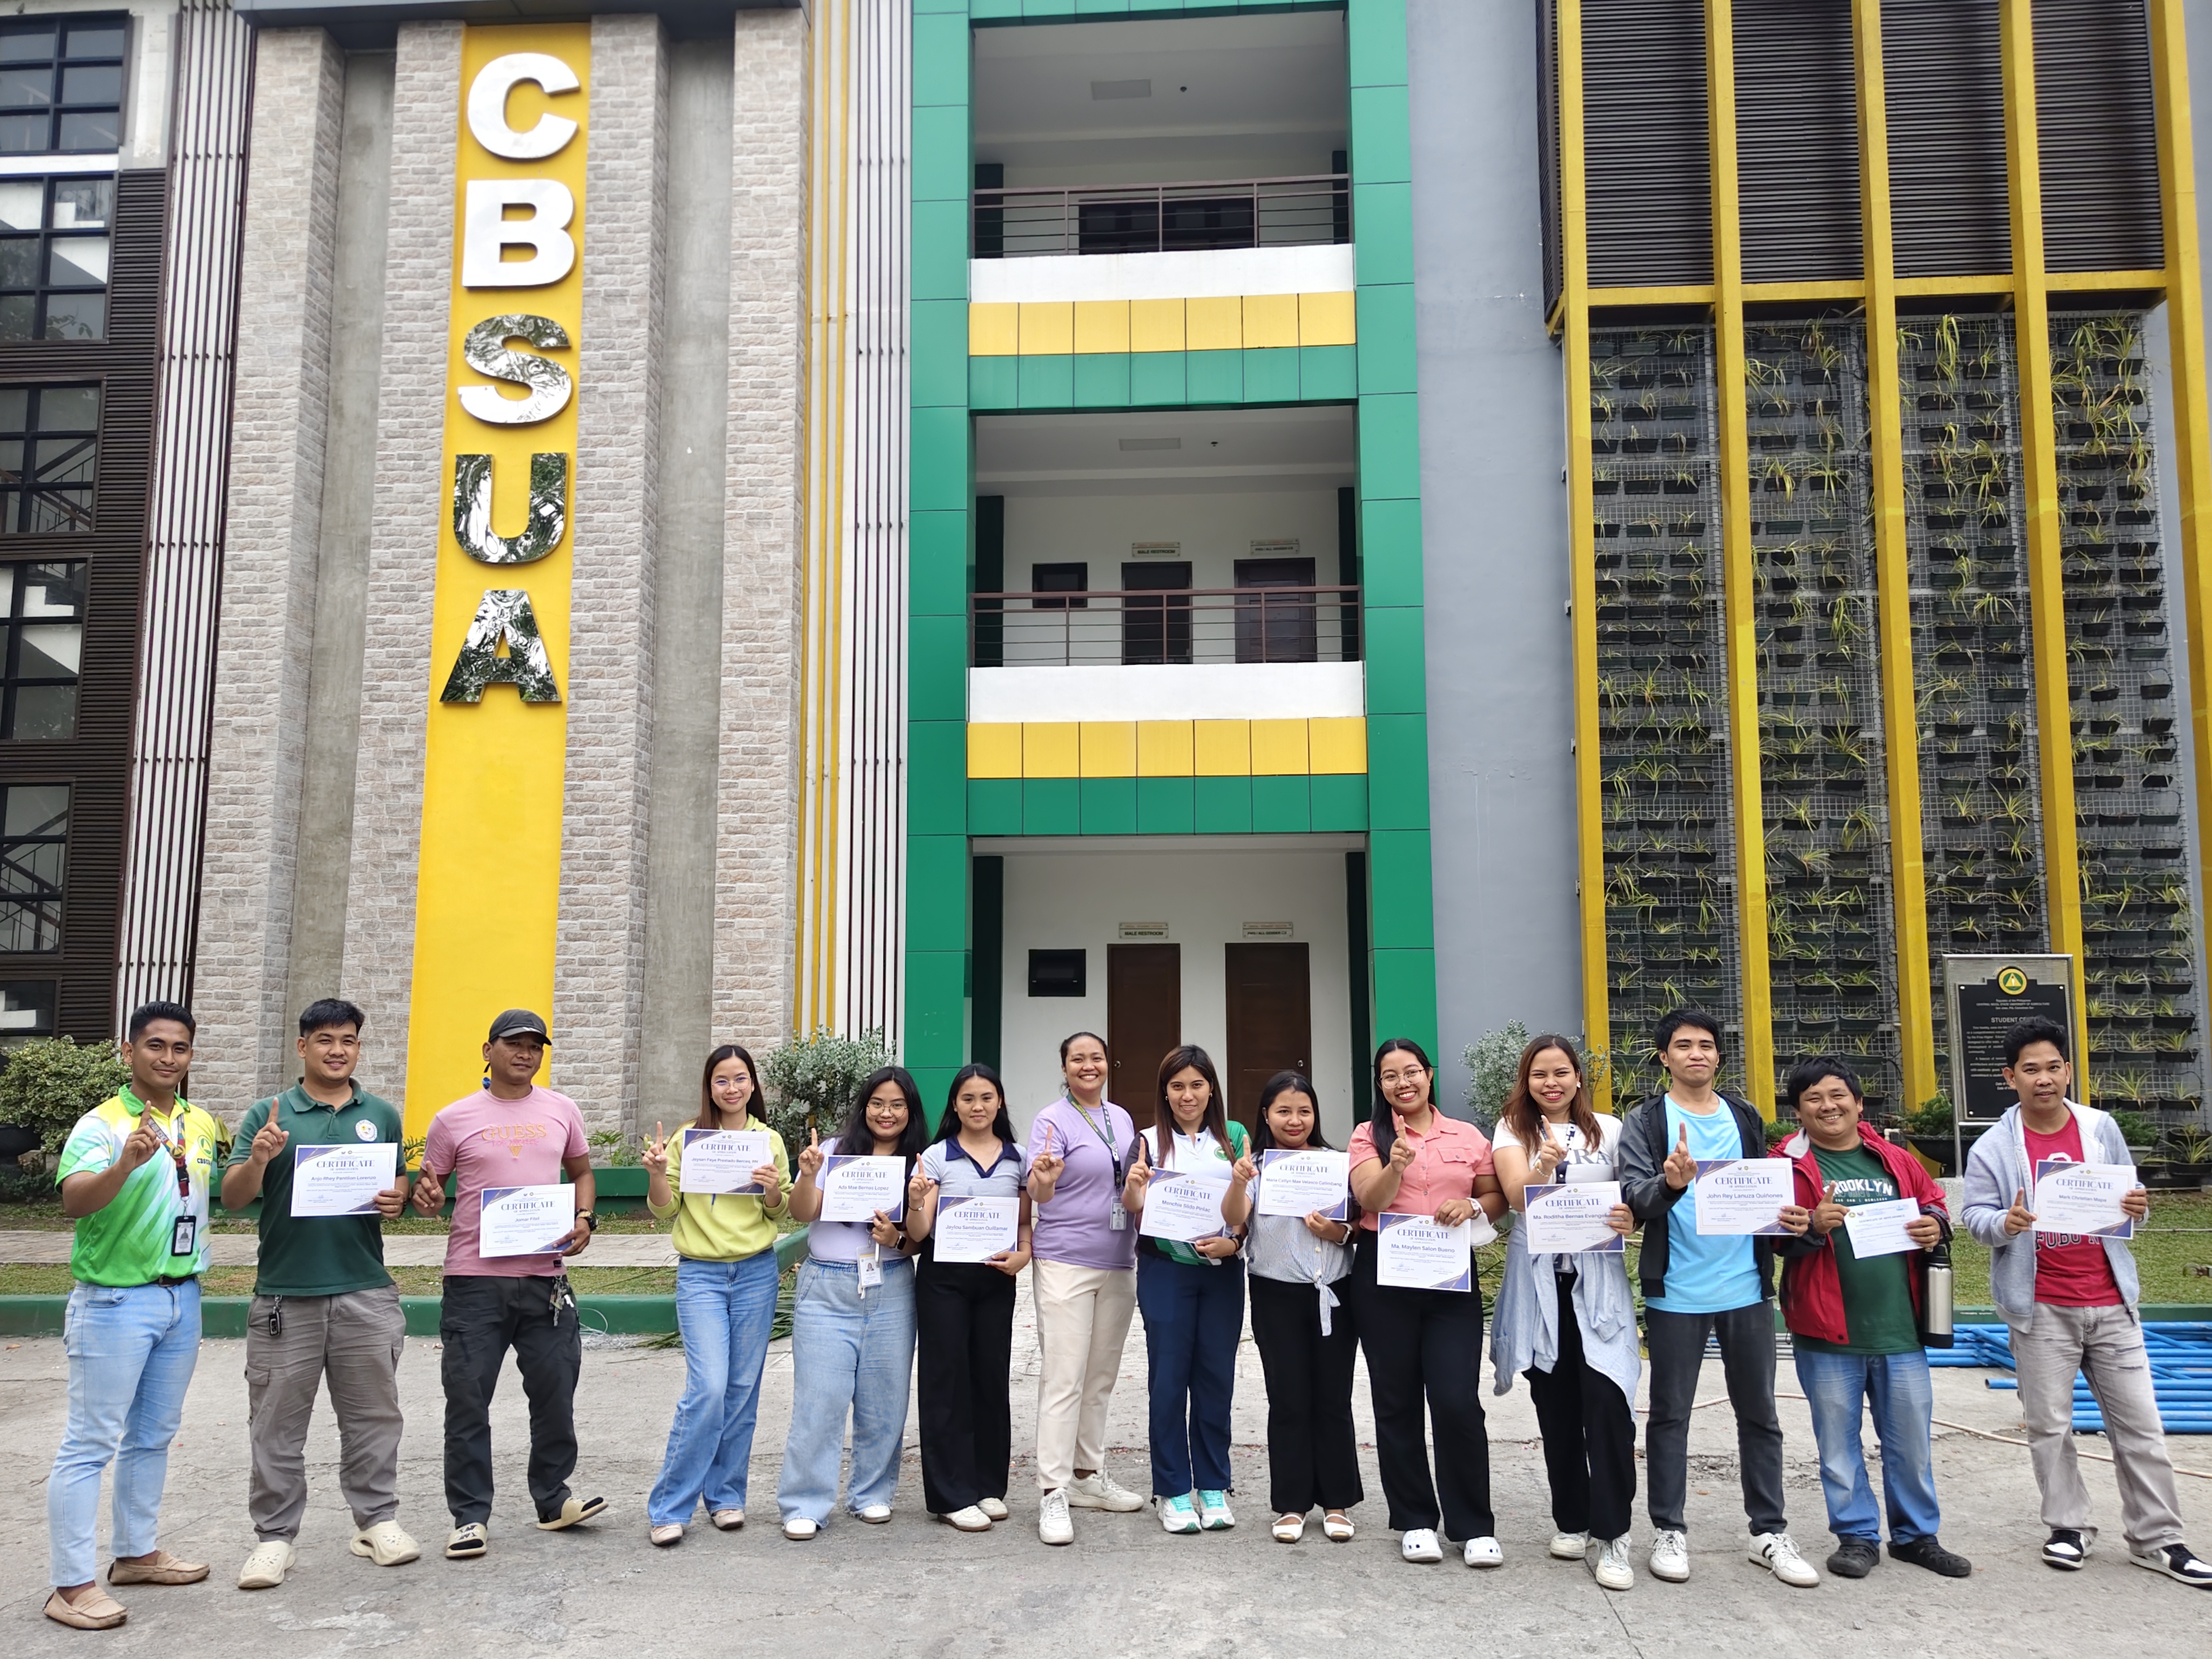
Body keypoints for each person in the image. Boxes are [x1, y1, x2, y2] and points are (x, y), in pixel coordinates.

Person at [1961, 1016, 2212, 1587]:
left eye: (2053, 1067)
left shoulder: (2099, 1128)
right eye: (2031, 1070)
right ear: (2010, 1078)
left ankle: (2158, 1539)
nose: (2044, 1079)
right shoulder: (1994, 1147)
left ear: (2069, 1071)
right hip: (2041, 1308)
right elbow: (1974, 1217)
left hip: (2111, 1303)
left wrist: (2138, 1208)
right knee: (2050, 1427)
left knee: (2141, 1426)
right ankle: (2068, 1527)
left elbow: (2130, 1203)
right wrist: (2005, 1223)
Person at [1618, 1007, 1818, 1588]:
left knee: (1760, 1414)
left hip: (1745, 1288)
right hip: (1677, 1291)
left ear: (1718, 1055)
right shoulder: (1646, 1121)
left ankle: (1768, 1532)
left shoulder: (1744, 1115)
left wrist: (1787, 1217)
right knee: (1670, 1417)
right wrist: (1671, 1182)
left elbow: (1761, 1189)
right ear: (1664, 1057)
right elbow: (1635, 1198)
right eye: (1683, 1045)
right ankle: (1669, 1530)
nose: (1697, 1054)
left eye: (1706, 1045)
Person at [220, 999, 417, 1589]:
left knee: (373, 1418)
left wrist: (398, 1198)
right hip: (286, 1295)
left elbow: (396, 1182)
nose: (337, 1050)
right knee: (276, 1425)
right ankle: (275, 1538)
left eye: (348, 1040)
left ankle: (376, 1521)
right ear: (302, 1046)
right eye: (326, 1040)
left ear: (358, 1048)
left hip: (365, 1291)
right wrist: (259, 1157)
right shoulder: (269, 1113)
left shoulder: (379, 1114)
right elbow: (233, 1198)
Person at [43, 1001, 218, 1630]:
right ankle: (70, 1586)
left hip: (182, 1297)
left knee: (153, 1435)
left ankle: (136, 1554)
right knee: (89, 1443)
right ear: (129, 1051)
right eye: (155, 1046)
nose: (168, 1058)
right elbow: (73, 1202)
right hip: (115, 1301)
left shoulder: (200, 1123)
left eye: (180, 1048)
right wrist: (125, 1165)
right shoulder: (101, 1124)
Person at [409, 1009, 603, 1559]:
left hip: (546, 1280)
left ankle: (553, 1499)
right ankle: (470, 1516)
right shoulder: (453, 1119)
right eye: (514, 1044)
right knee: (468, 1401)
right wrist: (427, 1199)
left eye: (535, 1046)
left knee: (555, 1393)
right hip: (474, 1282)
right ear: (487, 1050)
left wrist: (585, 1218)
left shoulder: (562, 1110)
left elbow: (582, 1172)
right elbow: (429, 1194)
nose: (525, 1054)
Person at [1775, 1055, 1969, 1580]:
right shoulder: (1785, 1166)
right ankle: (1857, 1536)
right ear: (1799, 1112)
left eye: (1838, 1095)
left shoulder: (1895, 1159)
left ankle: (1916, 1536)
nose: (1827, 1106)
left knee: (1911, 1443)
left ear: (1859, 1104)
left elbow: (1934, 1204)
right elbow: (1770, 1239)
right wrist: (1811, 1226)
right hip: (1825, 1332)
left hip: (1899, 1329)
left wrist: (1934, 1224)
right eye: (1813, 1099)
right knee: (1838, 1446)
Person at [1346, 1036, 1508, 1568]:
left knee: (1456, 1399)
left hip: (1448, 1277)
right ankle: (1415, 1519)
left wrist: (1470, 1206)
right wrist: (1394, 1165)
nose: (1403, 1082)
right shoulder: (1368, 1135)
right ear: (1380, 1084)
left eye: (1412, 1071)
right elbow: (1369, 1199)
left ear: (1429, 1074)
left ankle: (1473, 1525)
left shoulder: (1466, 1135)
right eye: (1391, 1075)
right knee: (1396, 1401)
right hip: (1384, 1276)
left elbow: (1495, 1198)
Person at [1488, 1034, 1640, 1591]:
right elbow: (1514, 1198)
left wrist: (1630, 1216)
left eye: (1560, 1073)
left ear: (1578, 1077)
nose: (1550, 1083)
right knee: (1555, 1407)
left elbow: (1633, 1196)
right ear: (1526, 1082)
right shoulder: (1513, 1129)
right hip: (1539, 1287)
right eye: (1539, 1074)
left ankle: (1614, 1533)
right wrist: (1543, 1165)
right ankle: (1572, 1520)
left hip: (1597, 1285)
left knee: (1608, 1403)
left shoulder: (1611, 1130)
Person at [641, 1043, 791, 1545]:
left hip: (756, 1272)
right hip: (701, 1276)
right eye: (722, 1080)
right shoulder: (689, 1139)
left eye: (740, 1078)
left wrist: (772, 1188)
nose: (732, 1088)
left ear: (753, 1084)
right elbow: (666, 1210)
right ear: (709, 1086)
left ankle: (726, 1496)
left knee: (742, 1391)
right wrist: (657, 1174)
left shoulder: (768, 1140)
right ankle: (670, 1506)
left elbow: (779, 1211)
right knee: (707, 1389)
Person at [777, 1065, 927, 1537]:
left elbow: (919, 1239)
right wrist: (807, 1176)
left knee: (886, 1399)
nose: (887, 1113)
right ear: (864, 1107)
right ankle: (805, 1502)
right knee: (819, 1400)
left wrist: (896, 1239)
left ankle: (872, 1493)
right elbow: (802, 1212)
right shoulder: (833, 1151)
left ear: (910, 1111)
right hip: (828, 1285)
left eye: (897, 1105)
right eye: (878, 1103)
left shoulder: (918, 1162)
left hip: (892, 1284)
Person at [1121, 1046, 1252, 1535]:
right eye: (1177, 1086)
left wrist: (1232, 1241)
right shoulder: (1147, 1141)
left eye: (1197, 1085)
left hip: (1221, 1271)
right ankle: (1173, 1489)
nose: (1187, 1095)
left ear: (1211, 1089)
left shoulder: (1233, 1136)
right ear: (1165, 1092)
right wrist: (1135, 1185)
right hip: (1166, 1270)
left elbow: (1242, 1214)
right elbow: (1133, 1207)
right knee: (1169, 1380)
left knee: (1216, 1378)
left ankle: (1214, 1485)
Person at [1024, 1030, 1148, 1545]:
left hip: (1118, 1261)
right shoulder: (1051, 1121)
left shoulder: (1121, 1119)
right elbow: (1038, 1191)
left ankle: (1086, 1475)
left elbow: (1128, 1184)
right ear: (1065, 1067)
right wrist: (1046, 1177)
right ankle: (1053, 1490)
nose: (1088, 1065)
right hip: (1065, 1262)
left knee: (1099, 1378)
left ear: (1107, 1063)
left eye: (1096, 1057)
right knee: (1064, 1378)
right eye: (1078, 1059)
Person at [905, 1064, 1030, 1532]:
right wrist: (916, 1201)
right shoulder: (936, 1157)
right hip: (945, 1279)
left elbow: (1023, 1222)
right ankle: (951, 1495)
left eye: (987, 1097)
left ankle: (987, 1485)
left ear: (1000, 1102)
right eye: (968, 1099)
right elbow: (920, 1232)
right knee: (946, 1381)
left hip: (997, 1278)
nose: (978, 1107)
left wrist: (1024, 1254)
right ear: (955, 1106)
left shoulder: (1018, 1157)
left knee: (990, 1378)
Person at [1243, 1070, 1361, 1545]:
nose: (1295, 1120)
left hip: (1335, 1290)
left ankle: (1337, 1502)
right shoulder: (1255, 1167)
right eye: (1284, 1111)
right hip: (1276, 1293)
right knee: (1288, 1398)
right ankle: (1291, 1504)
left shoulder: (1337, 1164)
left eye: (1304, 1111)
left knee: (1333, 1398)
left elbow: (1360, 1222)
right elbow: (1236, 1222)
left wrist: (1339, 1232)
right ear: (1266, 1115)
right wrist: (1238, 1181)